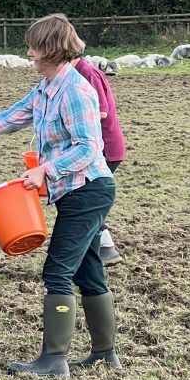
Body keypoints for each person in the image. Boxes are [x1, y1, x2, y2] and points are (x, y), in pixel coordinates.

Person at [0, 14, 120, 377]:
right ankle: (104, 354)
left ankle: (54, 360)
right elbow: (9, 118)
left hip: (89, 189)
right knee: (88, 270)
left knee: (57, 271)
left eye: (33, 46)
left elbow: (89, 148)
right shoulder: (46, 89)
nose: (29, 53)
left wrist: (45, 170)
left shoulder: (76, 90)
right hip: (75, 192)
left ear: (50, 48)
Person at [72, 56, 126, 266]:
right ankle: (101, 248)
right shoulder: (77, 72)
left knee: (86, 200)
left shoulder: (88, 73)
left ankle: (104, 248)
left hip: (104, 147)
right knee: (83, 199)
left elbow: (101, 111)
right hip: (95, 147)